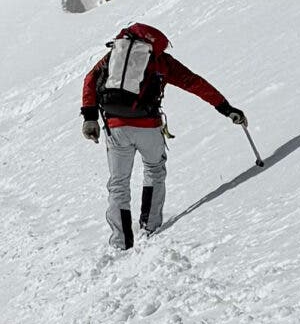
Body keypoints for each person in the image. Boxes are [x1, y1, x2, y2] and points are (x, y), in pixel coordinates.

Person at [78, 22, 244, 248]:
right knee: (154, 171)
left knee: (119, 183)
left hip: (116, 127)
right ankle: (150, 227)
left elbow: (90, 79)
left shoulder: (113, 56)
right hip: (149, 126)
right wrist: (226, 108)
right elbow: (194, 82)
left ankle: (121, 241)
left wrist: (90, 117)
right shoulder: (161, 61)